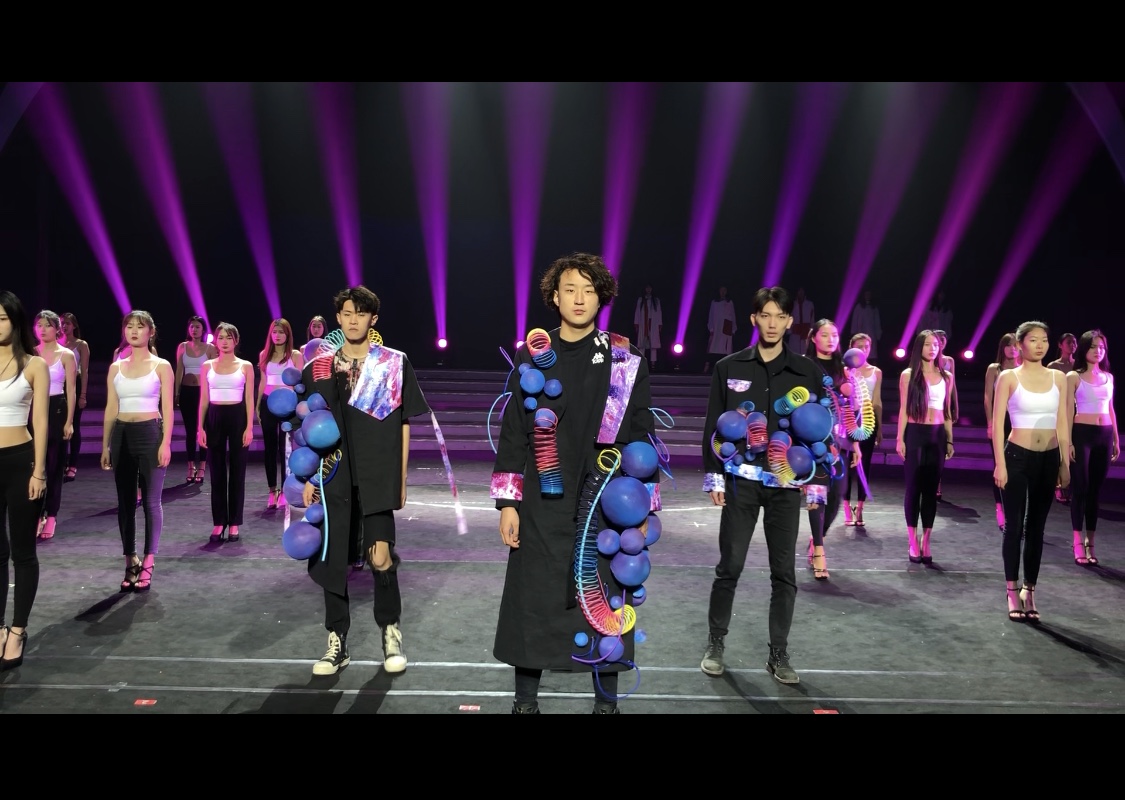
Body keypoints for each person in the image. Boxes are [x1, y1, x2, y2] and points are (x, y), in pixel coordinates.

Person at [491, 253, 656, 713]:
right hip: (543, 505)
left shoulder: (624, 358)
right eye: (569, 289)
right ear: (555, 297)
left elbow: (642, 434)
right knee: (533, 599)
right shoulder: (532, 356)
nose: (579, 298)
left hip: (607, 502)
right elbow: (514, 431)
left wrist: (644, 507)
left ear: (602, 296)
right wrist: (508, 503)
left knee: (606, 602)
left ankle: (607, 705)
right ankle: (525, 704)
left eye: (588, 290)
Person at [297, 285, 431, 678]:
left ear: (373, 319)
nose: (353, 319)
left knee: (381, 557)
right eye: (346, 313)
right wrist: (309, 476)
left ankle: (391, 633)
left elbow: (403, 423)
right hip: (334, 475)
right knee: (332, 558)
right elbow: (308, 424)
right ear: (338, 318)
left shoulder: (392, 363)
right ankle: (336, 641)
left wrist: (400, 480)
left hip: (377, 474)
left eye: (361, 313)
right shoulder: (319, 367)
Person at [700, 286, 822, 685]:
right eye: (765, 315)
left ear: (790, 321)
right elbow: (713, 424)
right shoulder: (729, 367)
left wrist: (816, 483)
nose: (772, 323)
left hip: (786, 485)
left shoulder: (807, 371)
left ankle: (778, 654)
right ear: (754, 319)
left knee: (783, 573)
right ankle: (715, 644)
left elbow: (820, 431)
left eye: (779, 317)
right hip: (742, 483)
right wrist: (714, 475)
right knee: (729, 566)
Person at [992, 320, 1068, 623]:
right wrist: (1000, 463)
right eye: (1034, 339)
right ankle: (1011, 590)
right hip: (1016, 456)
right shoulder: (1008, 377)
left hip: (1048, 458)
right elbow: (997, 424)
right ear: (1019, 344)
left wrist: (1064, 462)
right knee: (1014, 526)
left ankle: (1029, 590)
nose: (1040, 345)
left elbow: (1062, 421)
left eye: (1044, 340)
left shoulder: (1058, 377)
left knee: (1037, 527)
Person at [100, 310, 174, 593]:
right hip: (121, 434)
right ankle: (130, 559)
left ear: (150, 332)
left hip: (150, 433)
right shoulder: (116, 367)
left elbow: (168, 408)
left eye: (139, 327)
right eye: (129, 326)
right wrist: (105, 444)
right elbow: (111, 408)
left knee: (151, 502)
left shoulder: (162, 366)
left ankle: (149, 560)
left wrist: (166, 442)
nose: (133, 331)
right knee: (125, 502)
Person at [0, 291, 49, 671]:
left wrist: (39, 471)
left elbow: (42, 421)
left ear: (15, 320)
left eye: (2, 318)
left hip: (21, 462)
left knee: (23, 552)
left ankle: (18, 629)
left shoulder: (34, 364)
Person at [803, 319, 858, 581]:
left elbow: (850, 409)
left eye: (834, 335)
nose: (830, 339)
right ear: (814, 337)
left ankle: (817, 539)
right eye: (824, 335)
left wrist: (855, 443)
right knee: (817, 495)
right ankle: (819, 552)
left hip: (838, 441)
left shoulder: (844, 369)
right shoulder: (804, 365)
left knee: (837, 495)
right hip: (813, 439)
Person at [895, 330, 954, 565]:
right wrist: (900, 439)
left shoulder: (946, 376)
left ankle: (926, 540)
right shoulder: (908, 375)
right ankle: (912, 540)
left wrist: (949, 439)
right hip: (915, 433)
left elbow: (947, 411)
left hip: (937, 435)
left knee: (930, 490)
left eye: (936, 345)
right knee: (913, 488)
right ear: (919, 347)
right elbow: (903, 409)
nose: (932, 349)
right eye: (928, 344)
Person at [198, 323, 255, 544]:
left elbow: (249, 399)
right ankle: (219, 521)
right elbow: (204, 399)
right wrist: (200, 428)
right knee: (217, 472)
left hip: (238, 416)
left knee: (238, 471)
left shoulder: (246, 366)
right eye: (220, 337)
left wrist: (249, 427)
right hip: (214, 417)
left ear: (236, 341)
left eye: (228, 337)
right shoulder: (207, 366)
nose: (224, 341)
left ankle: (234, 523)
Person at [1066, 330, 1118, 566]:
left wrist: (1115, 438)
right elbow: (1068, 410)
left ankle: (1090, 542)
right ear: (1084, 348)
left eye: (1102, 347)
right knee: (1080, 488)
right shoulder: (1073, 376)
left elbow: (1110, 408)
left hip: (1104, 435)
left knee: (1095, 491)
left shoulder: (1108, 377)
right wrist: (1068, 442)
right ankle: (1077, 541)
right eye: (1093, 346)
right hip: (1081, 435)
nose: (1098, 351)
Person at [32, 311, 76, 540]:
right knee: (33, 466)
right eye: (39, 325)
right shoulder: (30, 353)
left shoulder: (66, 355)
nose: (42, 329)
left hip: (57, 409)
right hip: (33, 410)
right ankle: (36, 514)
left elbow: (71, 390)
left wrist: (69, 421)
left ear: (57, 329)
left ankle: (51, 515)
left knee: (54, 466)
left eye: (47, 325)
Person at [256, 318, 304, 510]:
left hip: (288, 406)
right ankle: (272, 490)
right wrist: (257, 405)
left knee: (286, 449)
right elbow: (262, 382)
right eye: (274, 332)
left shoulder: (295, 355)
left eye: (281, 332)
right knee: (269, 448)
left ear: (287, 334)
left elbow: (300, 383)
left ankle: (285, 490)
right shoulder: (264, 354)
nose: (277, 335)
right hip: (268, 403)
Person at [843, 333, 883, 528]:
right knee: (845, 465)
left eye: (867, 346)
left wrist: (879, 427)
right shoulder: (845, 371)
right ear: (851, 347)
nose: (864, 350)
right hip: (847, 420)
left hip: (867, 421)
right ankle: (846, 508)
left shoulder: (876, 371)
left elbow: (877, 401)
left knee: (864, 465)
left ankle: (859, 508)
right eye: (859, 346)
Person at [984, 332, 1020, 532]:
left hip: (1019, 422)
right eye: (1008, 345)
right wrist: (991, 423)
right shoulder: (994, 369)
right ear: (1002, 348)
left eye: (1015, 345)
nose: (1012, 349)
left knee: (1017, 468)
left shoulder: (1024, 369)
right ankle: (1000, 508)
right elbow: (988, 398)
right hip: (1001, 421)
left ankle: (1014, 509)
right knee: (1000, 464)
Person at [174, 316, 217, 485]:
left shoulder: (210, 348)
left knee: (203, 430)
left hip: (203, 392)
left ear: (203, 329)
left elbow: (214, 372)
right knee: (190, 431)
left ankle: (202, 466)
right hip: (187, 392)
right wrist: (176, 392)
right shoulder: (182, 346)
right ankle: (190, 466)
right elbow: (179, 371)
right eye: (192, 326)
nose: (194, 329)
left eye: (197, 327)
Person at [59, 313, 89, 482]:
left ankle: (72, 465)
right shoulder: (56, 344)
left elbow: (84, 372)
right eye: (62, 323)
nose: (64, 326)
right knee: (58, 426)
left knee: (74, 425)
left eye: (68, 323)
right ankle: (60, 463)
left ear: (74, 326)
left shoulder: (81, 345)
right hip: (58, 385)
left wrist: (83, 395)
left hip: (75, 384)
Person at [703, 286, 737, 374]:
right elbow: (711, 315)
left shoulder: (729, 302)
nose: (723, 292)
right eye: (721, 290)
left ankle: (728, 369)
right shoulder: (714, 302)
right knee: (712, 348)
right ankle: (707, 367)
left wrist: (733, 329)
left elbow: (733, 315)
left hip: (726, 327)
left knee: (726, 349)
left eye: (724, 290)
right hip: (716, 328)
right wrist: (711, 328)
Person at [634, 285, 663, 372]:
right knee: (642, 344)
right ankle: (641, 364)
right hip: (643, 323)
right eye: (647, 288)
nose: (648, 290)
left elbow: (659, 312)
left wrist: (659, 324)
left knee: (653, 345)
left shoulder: (656, 300)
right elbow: (637, 312)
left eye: (650, 288)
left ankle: (653, 364)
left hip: (653, 323)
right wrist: (636, 323)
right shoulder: (641, 300)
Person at [850, 289, 883, 363]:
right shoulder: (859, 307)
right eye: (866, 295)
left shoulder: (873, 307)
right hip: (860, 331)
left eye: (869, 295)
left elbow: (877, 321)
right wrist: (854, 332)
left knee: (871, 352)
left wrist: (878, 334)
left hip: (871, 333)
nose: (867, 296)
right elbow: (855, 319)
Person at [788, 287, 814, 353]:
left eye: (802, 292)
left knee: (805, 351)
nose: (800, 293)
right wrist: (789, 331)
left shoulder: (809, 304)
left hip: (805, 333)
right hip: (795, 333)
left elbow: (812, 319)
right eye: (799, 292)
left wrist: (811, 332)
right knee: (794, 351)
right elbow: (788, 318)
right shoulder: (793, 304)